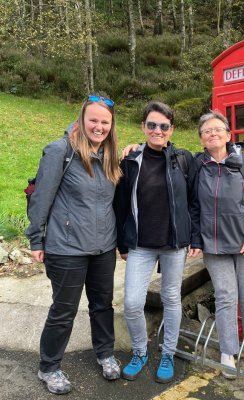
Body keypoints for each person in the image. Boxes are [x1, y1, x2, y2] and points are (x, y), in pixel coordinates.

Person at [26, 95, 122, 395]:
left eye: (105, 122)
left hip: (103, 247)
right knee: (64, 310)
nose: (99, 126)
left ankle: (105, 353)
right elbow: (41, 198)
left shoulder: (109, 155)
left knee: (102, 305)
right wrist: (36, 238)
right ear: (82, 119)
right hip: (66, 248)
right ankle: (49, 367)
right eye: (93, 119)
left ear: (111, 126)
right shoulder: (60, 151)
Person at [114, 101, 200, 384]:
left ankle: (168, 352)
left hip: (174, 244)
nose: (157, 130)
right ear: (143, 127)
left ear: (171, 129)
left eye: (163, 126)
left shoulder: (183, 159)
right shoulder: (130, 160)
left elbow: (194, 202)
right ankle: (140, 351)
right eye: (152, 125)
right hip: (141, 244)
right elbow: (121, 204)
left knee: (171, 298)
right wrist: (122, 244)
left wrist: (194, 237)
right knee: (132, 303)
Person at [190, 110, 244, 379]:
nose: (212, 134)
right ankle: (228, 351)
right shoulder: (198, 166)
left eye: (217, 129)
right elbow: (194, 206)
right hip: (214, 245)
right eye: (207, 131)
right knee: (225, 298)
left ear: (228, 134)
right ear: (201, 138)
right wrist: (196, 239)